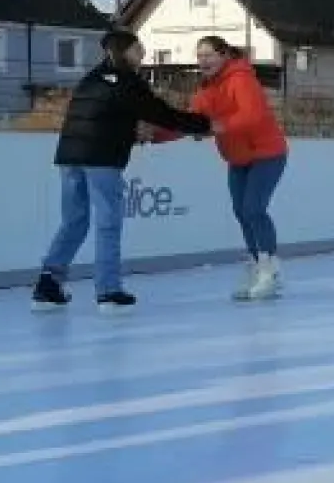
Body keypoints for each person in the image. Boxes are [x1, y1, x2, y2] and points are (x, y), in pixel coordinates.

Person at [31, 29, 212, 313]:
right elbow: (161, 114)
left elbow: (105, 116)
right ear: (124, 51)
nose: (143, 54)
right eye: (139, 49)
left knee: (74, 222)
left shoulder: (92, 78)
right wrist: (204, 124)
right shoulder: (127, 82)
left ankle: (48, 284)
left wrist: (128, 131)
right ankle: (109, 292)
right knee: (108, 223)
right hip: (100, 158)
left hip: (70, 156)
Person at [185, 36, 290, 301]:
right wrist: (154, 134)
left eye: (208, 55)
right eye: (199, 56)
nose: (203, 61)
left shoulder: (241, 78)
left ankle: (271, 269)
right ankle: (258, 266)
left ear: (223, 55)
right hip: (238, 158)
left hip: (267, 153)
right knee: (241, 212)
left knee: (254, 208)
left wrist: (218, 125)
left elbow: (252, 115)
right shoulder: (206, 89)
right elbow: (191, 121)